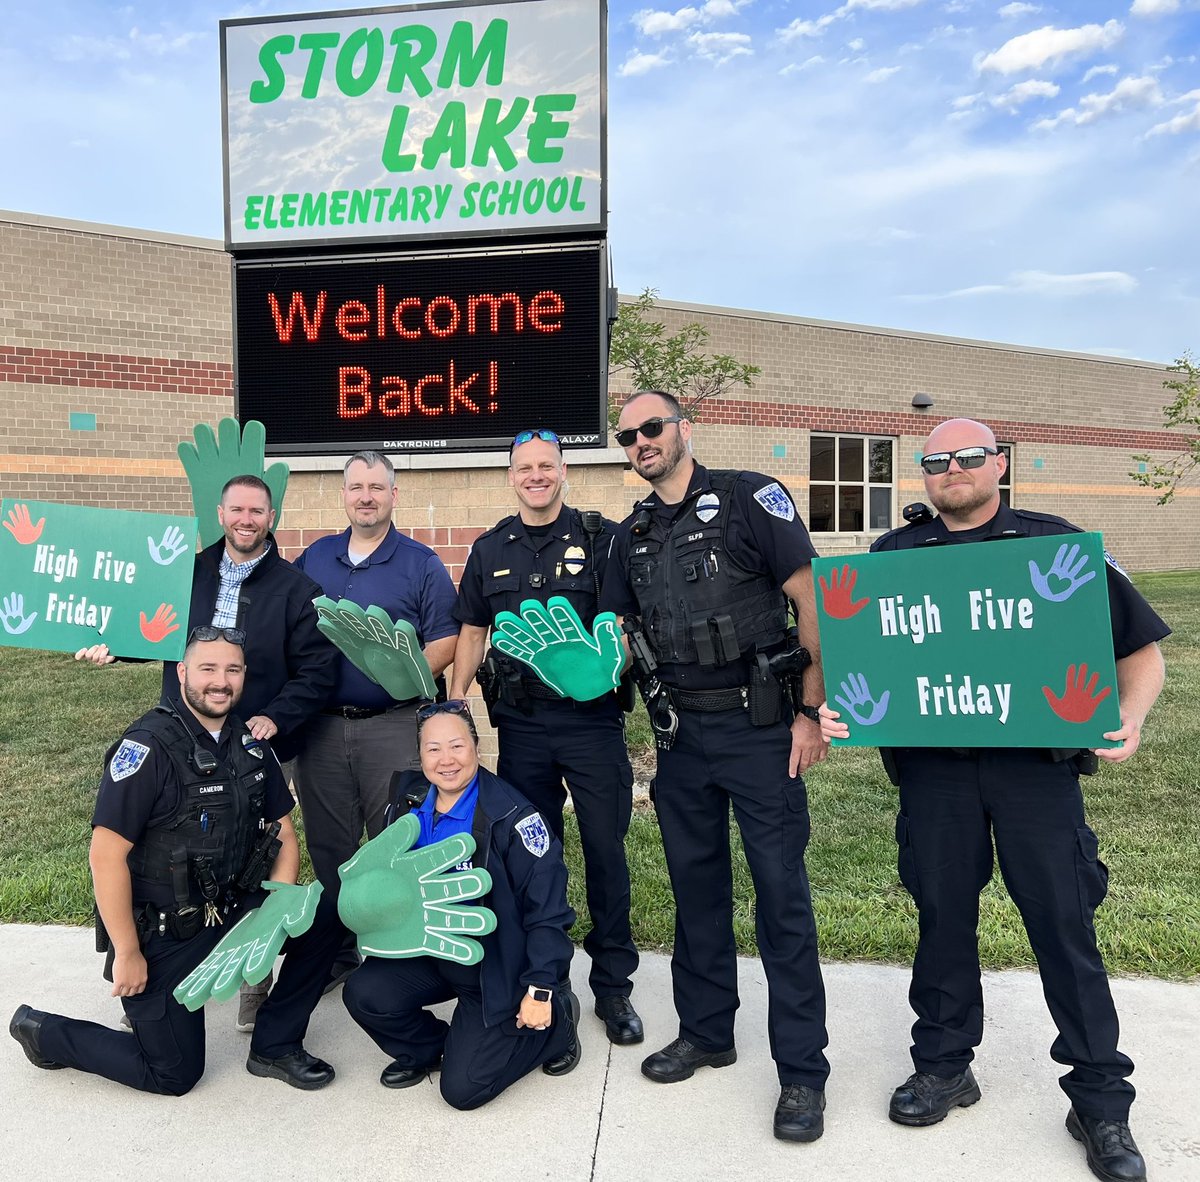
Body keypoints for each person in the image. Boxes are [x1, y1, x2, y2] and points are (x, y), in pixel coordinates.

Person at [820, 418, 1168, 1182]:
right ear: (923, 474)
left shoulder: (1055, 547)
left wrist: (1131, 717)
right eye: (936, 460)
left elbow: (1140, 653)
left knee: (1063, 928)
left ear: (999, 465)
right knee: (943, 921)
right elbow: (858, 666)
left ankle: (1101, 1101)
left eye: (968, 457)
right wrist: (840, 708)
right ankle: (944, 1066)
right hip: (934, 775)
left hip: (1034, 772)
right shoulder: (893, 559)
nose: (952, 470)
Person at [600, 390, 831, 1143]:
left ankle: (801, 1073)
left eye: (652, 427)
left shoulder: (747, 499)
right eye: (628, 434)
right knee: (697, 894)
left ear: (683, 430)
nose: (641, 441)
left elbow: (811, 601)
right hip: (679, 738)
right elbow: (614, 630)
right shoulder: (627, 535)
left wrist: (809, 711)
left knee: (780, 901)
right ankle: (707, 1032)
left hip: (760, 728)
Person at [9, 627, 344, 1095]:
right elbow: (105, 858)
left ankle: (275, 1044)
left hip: (235, 909)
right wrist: (127, 953)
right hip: (167, 930)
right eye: (207, 669)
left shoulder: (249, 741)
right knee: (174, 1074)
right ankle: (46, 1033)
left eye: (232, 670)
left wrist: (276, 912)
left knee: (328, 915)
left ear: (244, 676)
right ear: (183, 673)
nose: (220, 681)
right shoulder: (147, 748)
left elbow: (284, 835)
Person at [77, 473, 339, 1033]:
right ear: (220, 514)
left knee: (258, 853)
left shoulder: (298, 590)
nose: (247, 520)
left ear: (272, 518)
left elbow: (319, 672)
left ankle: (253, 981)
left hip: (254, 743)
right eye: (237, 509)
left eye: (258, 511)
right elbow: (151, 630)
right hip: (180, 738)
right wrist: (114, 646)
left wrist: (277, 716)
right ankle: (154, 979)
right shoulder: (184, 572)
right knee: (167, 858)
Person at [449, 427, 642, 1047]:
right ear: (511, 476)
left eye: (546, 465)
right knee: (535, 858)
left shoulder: (601, 538)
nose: (536, 475)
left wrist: (604, 665)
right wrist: (456, 706)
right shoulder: (490, 548)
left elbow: (619, 623)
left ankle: (613, 988)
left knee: (606, 854)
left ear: (563, 471)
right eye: (524, 467)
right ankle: (549, 981)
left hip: (592, 726)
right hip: (522, 727)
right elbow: (473, 631)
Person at [342, 700, 580, 1109]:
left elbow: (548, 912)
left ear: (477, 747)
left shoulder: (514, 817)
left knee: (463, 1092)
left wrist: (540, 987)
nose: (446, 760)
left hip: (492, 965)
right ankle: (430, 1049)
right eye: (433, 749)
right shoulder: (407, 799)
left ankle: (558, 1023)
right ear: (420, 755)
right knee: (365, 993)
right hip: (428, 950)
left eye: (457, 746)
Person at [293, 451, 459, 978]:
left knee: (396, 839)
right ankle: (338, 953)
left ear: (394, 495)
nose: (366, 496)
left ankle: (398, 951)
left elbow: (448, 637)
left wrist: (404, 674)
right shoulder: (314, 559)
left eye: (377, 487)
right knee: (329, 845)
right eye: (356, 487)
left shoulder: (420, 563)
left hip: (392, 724)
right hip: (320, 727)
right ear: (343, 495)